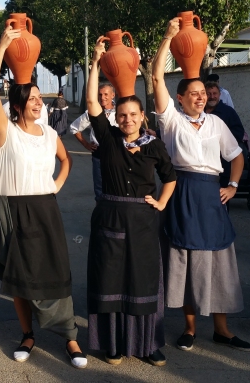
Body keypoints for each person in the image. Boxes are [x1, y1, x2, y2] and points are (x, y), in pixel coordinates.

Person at [0, 27, 87, 369]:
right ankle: (27, 335)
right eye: (32, 98)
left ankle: (70, 337)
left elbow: (66, 159)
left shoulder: (47, 133)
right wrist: (3, 46)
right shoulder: (6, 132)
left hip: (44, 208)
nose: (39, 102)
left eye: (39, 97)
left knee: (55, 273)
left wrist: (56, 185)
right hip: (13, 209)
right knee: (19, 277)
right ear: (17, 105)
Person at [154, 19, 250, 354]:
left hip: (212, 194)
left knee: (218, 259)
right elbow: (155, 77)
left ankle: (222, 329)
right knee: (187, 259)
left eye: (203, 93)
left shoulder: (217, 123)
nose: (199, 97)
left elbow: (237, 156)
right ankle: (190, 328)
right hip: (182, 192)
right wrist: (168, 38)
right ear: (179, 98)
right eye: (192, 94)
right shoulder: (171, 121)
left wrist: (234, 185)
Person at [85, 37, 176, 366]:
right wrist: (96, 61)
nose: (127, 119)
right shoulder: (107, 139)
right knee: (110, 280)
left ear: (142, 116)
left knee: (142, 281)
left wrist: (162, 203)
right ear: (116, 117)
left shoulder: (154, 145)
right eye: (122, 115)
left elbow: (170, 176)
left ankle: (148, 343)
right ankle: (113, 344)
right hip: (109, 218)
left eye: (133, 114)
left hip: (142, 222)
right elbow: (93, 103)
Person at [70, 82, 117, 200]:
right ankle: (101, 216)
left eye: (106, 94)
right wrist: (86, 144)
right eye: (100, 94)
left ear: (113, 95)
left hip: (118, 153)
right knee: (100, 190)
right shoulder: (91, 112)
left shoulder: (120, 111)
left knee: (117, 188)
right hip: (99, 155)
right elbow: (74, 128)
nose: (102, 97)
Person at [203, 81, 245, 188]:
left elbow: (239, 133)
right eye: (209, 93)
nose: (212, 96)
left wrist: (219, 140)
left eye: (215, 93)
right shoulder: (198, 112)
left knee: (221, 200)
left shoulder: (228, 112)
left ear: (219, 95)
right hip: (202, 167)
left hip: (222, 165)